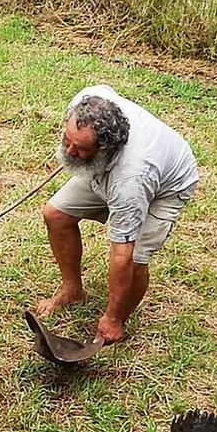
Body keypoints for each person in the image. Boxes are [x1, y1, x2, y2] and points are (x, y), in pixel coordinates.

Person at [37, 84, 199, 344]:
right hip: (111, 168)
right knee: (56, 214)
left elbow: (122, 254)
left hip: (166, 186)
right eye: (67, 140)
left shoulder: (131, 180)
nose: (68, 152)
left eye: (79, 149)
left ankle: (116, 321)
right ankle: (72, 290)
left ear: (103, 150)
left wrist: (112, 317)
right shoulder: (85, 100)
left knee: (135, 258)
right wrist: (77, 146)